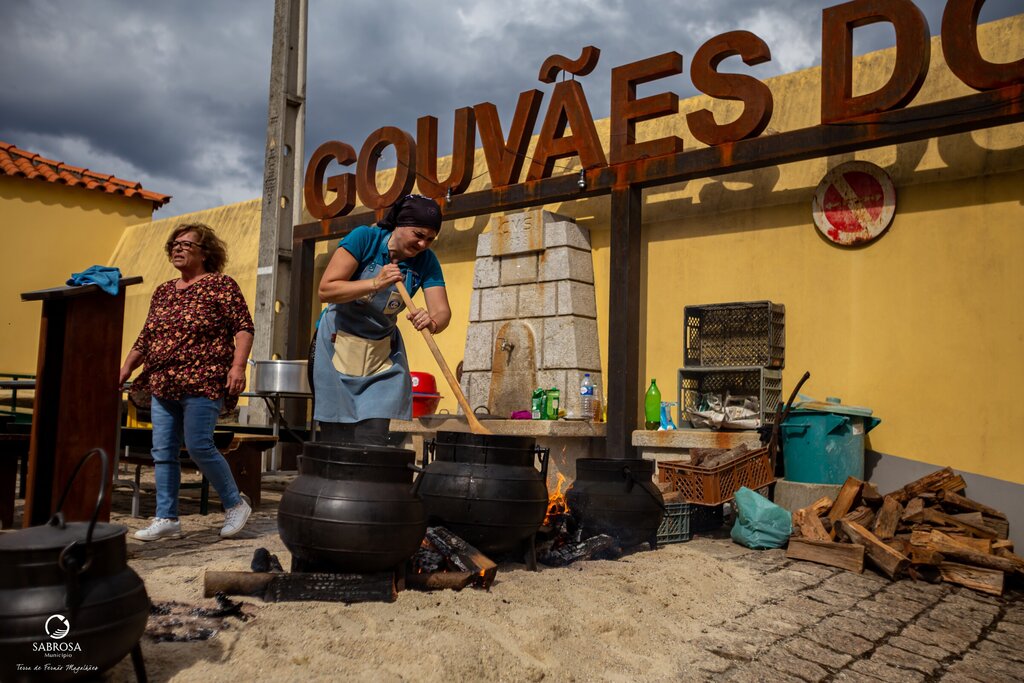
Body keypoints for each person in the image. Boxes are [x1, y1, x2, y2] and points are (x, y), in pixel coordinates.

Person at [119, 222, 255, 541]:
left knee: (198, 445)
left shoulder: (221, 285)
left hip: (203, 379)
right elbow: (147, 336)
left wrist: (238, 367)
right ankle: (167, 518)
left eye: (186, 245)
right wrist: (125, 368)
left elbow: (243, 327)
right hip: (163, 382)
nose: (177, 249)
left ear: (205, 252)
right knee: (163, 450)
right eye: (174, 245)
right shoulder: (164, 291)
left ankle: (235, 503)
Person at [314, 194, 451, 444]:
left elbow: (442, 312)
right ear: (400, 223)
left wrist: (431, 322)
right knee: (337, 437)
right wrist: (375, 283)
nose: (423, 244)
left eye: (430, 239)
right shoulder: (365, 239)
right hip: (337, 344)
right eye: (418, 235)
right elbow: (326, 289)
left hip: (381, 354)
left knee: (376, 435)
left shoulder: (426, 261)